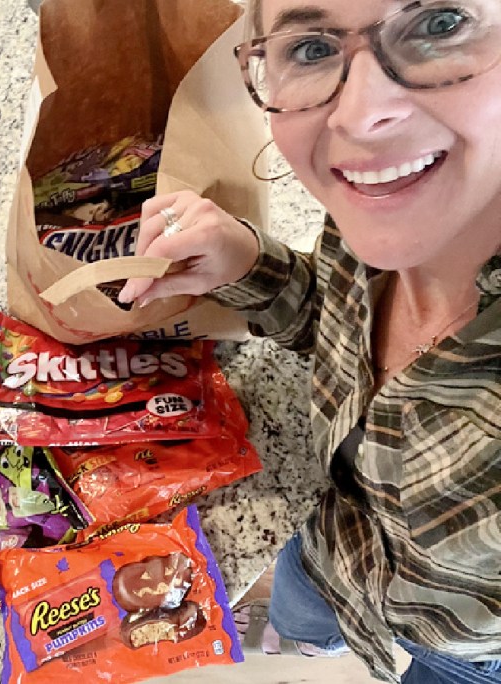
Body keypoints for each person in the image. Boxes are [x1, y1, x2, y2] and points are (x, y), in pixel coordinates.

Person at [116, 0, 501, 682]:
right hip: (328, 540)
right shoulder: (391, 196)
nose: (357, 116)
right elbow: (336, 321)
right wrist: (245, 263)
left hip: (460, 653)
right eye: (313, 48)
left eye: (441, 23)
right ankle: (308, 641)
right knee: (296, 613)